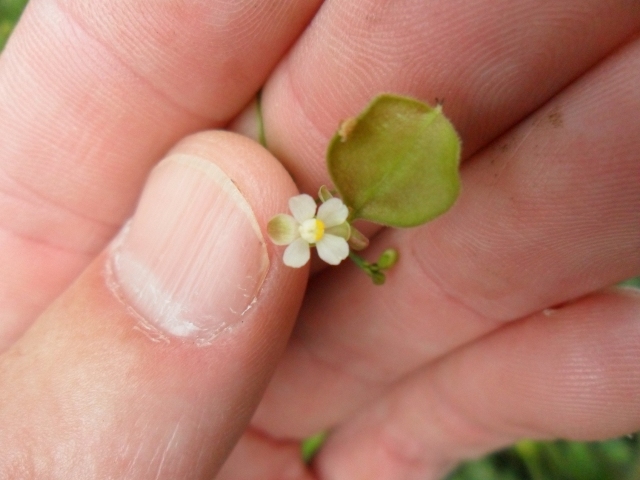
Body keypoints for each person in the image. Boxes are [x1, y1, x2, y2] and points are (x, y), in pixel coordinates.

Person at [0, 1, 639, 478]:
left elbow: (318, 231)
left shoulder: (326, 231)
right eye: (308, 227)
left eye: (315, 227)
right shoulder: (312, 232)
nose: (309, 228)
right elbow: (302, 232)